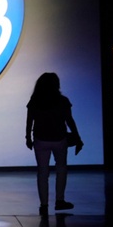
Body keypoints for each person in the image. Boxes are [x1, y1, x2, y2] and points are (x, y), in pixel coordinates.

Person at [25, 72, 82, 216]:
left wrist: (28, 138)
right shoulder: (62, 101)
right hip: (59, 139)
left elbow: (29, 121)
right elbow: (69, 120)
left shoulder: (35, 101)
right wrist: (77, 137)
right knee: (61, 169)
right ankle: (59, 201)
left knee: (42, 173)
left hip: (40, 139)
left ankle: (43, 205)